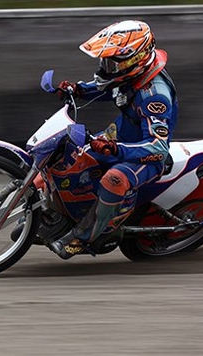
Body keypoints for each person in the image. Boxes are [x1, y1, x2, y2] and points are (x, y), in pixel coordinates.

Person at [47, 20, 179, 259]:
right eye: (104, 61)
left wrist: (114, 149)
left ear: (134, 59)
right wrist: (78, 90)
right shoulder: (130, 76)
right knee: (68, 154)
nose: (106, 67)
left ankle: (85, 237)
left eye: (111, 63)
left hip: (144, 156)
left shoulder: (154, 97)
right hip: (119, 137)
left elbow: (158, 147)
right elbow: (110, 87)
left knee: (114, 179)